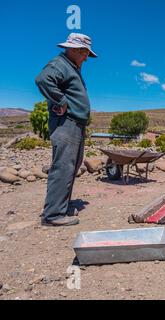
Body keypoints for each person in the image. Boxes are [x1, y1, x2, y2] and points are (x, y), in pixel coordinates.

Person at [35, 33, 97, 226]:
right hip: (66, 123)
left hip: (75, 123)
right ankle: (53, 215)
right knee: (63, 166)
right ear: (73, 49)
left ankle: (61, 206)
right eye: (84, 53)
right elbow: (43, 79)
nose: (86, 57)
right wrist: (60, 101)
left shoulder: (71, 67)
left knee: (72, 165)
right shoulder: (60, 64)